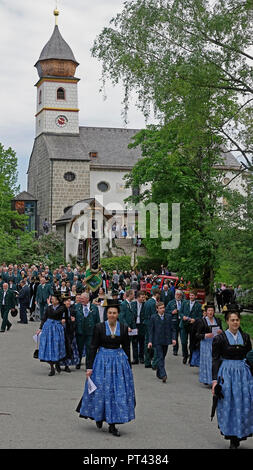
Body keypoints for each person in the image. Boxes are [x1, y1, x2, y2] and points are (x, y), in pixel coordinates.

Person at [76, 299, 135, 437]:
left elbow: (126, 347)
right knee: (101, 391)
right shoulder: (99, 327)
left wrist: (129, 368)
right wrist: (89, 367)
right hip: (102, 361)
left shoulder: (124, 328)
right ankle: (99, 416)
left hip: (118, 363)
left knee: (115, 393)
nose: (112, 315)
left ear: (118, 314)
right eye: (110, 312)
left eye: (114, 313)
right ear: (106, 314)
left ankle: (112, 424)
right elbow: (92, 347)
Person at [212, 305, 253, 449]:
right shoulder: (220, 339)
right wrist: (215, 381)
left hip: (243, 374)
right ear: (227, 322)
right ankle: (232, 436)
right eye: (232, 320)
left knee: (244, 403)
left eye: (237, 320)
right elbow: (216, 359)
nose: (235, 322)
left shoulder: (246, 338)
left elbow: (249, 356)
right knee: (230, 403)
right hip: (227, 373)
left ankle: (241, 432)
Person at [36, 292, 66, 376]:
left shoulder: (62, 307)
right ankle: (52, 367)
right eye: (51, 299)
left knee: (57, 346)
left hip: (57, 328)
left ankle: (57, 363)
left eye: (53, 299)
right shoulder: (49, 307)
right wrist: (40, 328)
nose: (51, 300)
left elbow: (54, 314)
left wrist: (49, 305)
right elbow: (44, 317)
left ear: (57, 300)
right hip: (48, 328)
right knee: (48, 347)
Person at [148, 302, 176, 383]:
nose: (162, 309)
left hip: (166, 340)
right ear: (157, 309)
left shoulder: (168, 316)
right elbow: (151, 330)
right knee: (160, 357)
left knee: (163, 356)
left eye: (163, 308)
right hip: (157, 341)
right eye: (160, 308)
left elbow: (173, 329)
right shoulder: (153, 317)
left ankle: (159, 373)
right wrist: (150, 341)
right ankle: (164, 375)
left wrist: (174, 339)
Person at [195, 303, 222, 385]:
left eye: (212, 310)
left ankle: (215, 379)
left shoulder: (217, 320)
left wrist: (221, 332)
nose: (210, 312)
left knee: (216, 361)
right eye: (209, 310)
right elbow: (197, 334)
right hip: (206, 343)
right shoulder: (202, 321)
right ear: (206, 312)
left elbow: (222, 331)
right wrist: (205, 335)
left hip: (216, 343)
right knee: (208, 362)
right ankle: (207, 379)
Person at [74, 292, 100, 369]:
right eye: (80, 298)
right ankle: (78, 362)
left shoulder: (94, 308)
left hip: (90, 332)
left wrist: (98, 332)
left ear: (88, 299)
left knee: (89, 349)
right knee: (79, 348)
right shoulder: (77, 307)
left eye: (83, 299)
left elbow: (97, 320)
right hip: (80, 331)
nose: (81, 300)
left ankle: (88, 365)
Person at [179, 289, 202, 364]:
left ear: (195, 296)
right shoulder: (184, 303)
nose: (191, 297)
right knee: (183, 341)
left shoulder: (198, 305)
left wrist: (195, 319)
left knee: (192, 342)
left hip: (193, 326)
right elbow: (180, 312)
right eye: (190, 295)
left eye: (192, 295)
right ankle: (185, 355)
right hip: (184, 324)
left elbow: (200, 316)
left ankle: (191, 357)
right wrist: (183, 317)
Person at [59, 295, 79, 372]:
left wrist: (73, 321)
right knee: (61, 348)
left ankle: (67, 365)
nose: (69, 302)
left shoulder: (72, 310)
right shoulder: (60, 310)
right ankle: (59, 364)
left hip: (70, 331)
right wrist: (61, 321)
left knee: (69, 348)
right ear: (64, 302)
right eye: (67, 301)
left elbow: (75, 321)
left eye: (70, 301)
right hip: (62, 332)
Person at [143, 287, 160, 369]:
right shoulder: (154, 303)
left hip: (146, 323)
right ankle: (154, 363)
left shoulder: (147, 302)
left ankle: (147, 361)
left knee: (147, 342)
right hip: (152, 325)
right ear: (156, 294)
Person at [130, 291, 146, 364]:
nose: (143, 298)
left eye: (144, 297)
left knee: (142, 342)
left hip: (142, 325)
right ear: (138, 297)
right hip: (134, 325)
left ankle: (141, 357)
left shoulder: (145, 305)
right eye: (142, 297)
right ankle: (135, 358)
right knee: (134, 342)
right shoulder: (132, 304)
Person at [166, 289, 183, 356]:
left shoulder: (184, 302)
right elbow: (166, 311)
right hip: (174, 321)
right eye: (177, 295)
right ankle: (175, 350)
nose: (178, 296)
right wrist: (172, 312)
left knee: (182, 337)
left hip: (182, 321)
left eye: (179, 295)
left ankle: (184, 350)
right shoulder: (171, 303)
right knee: (175, 336)